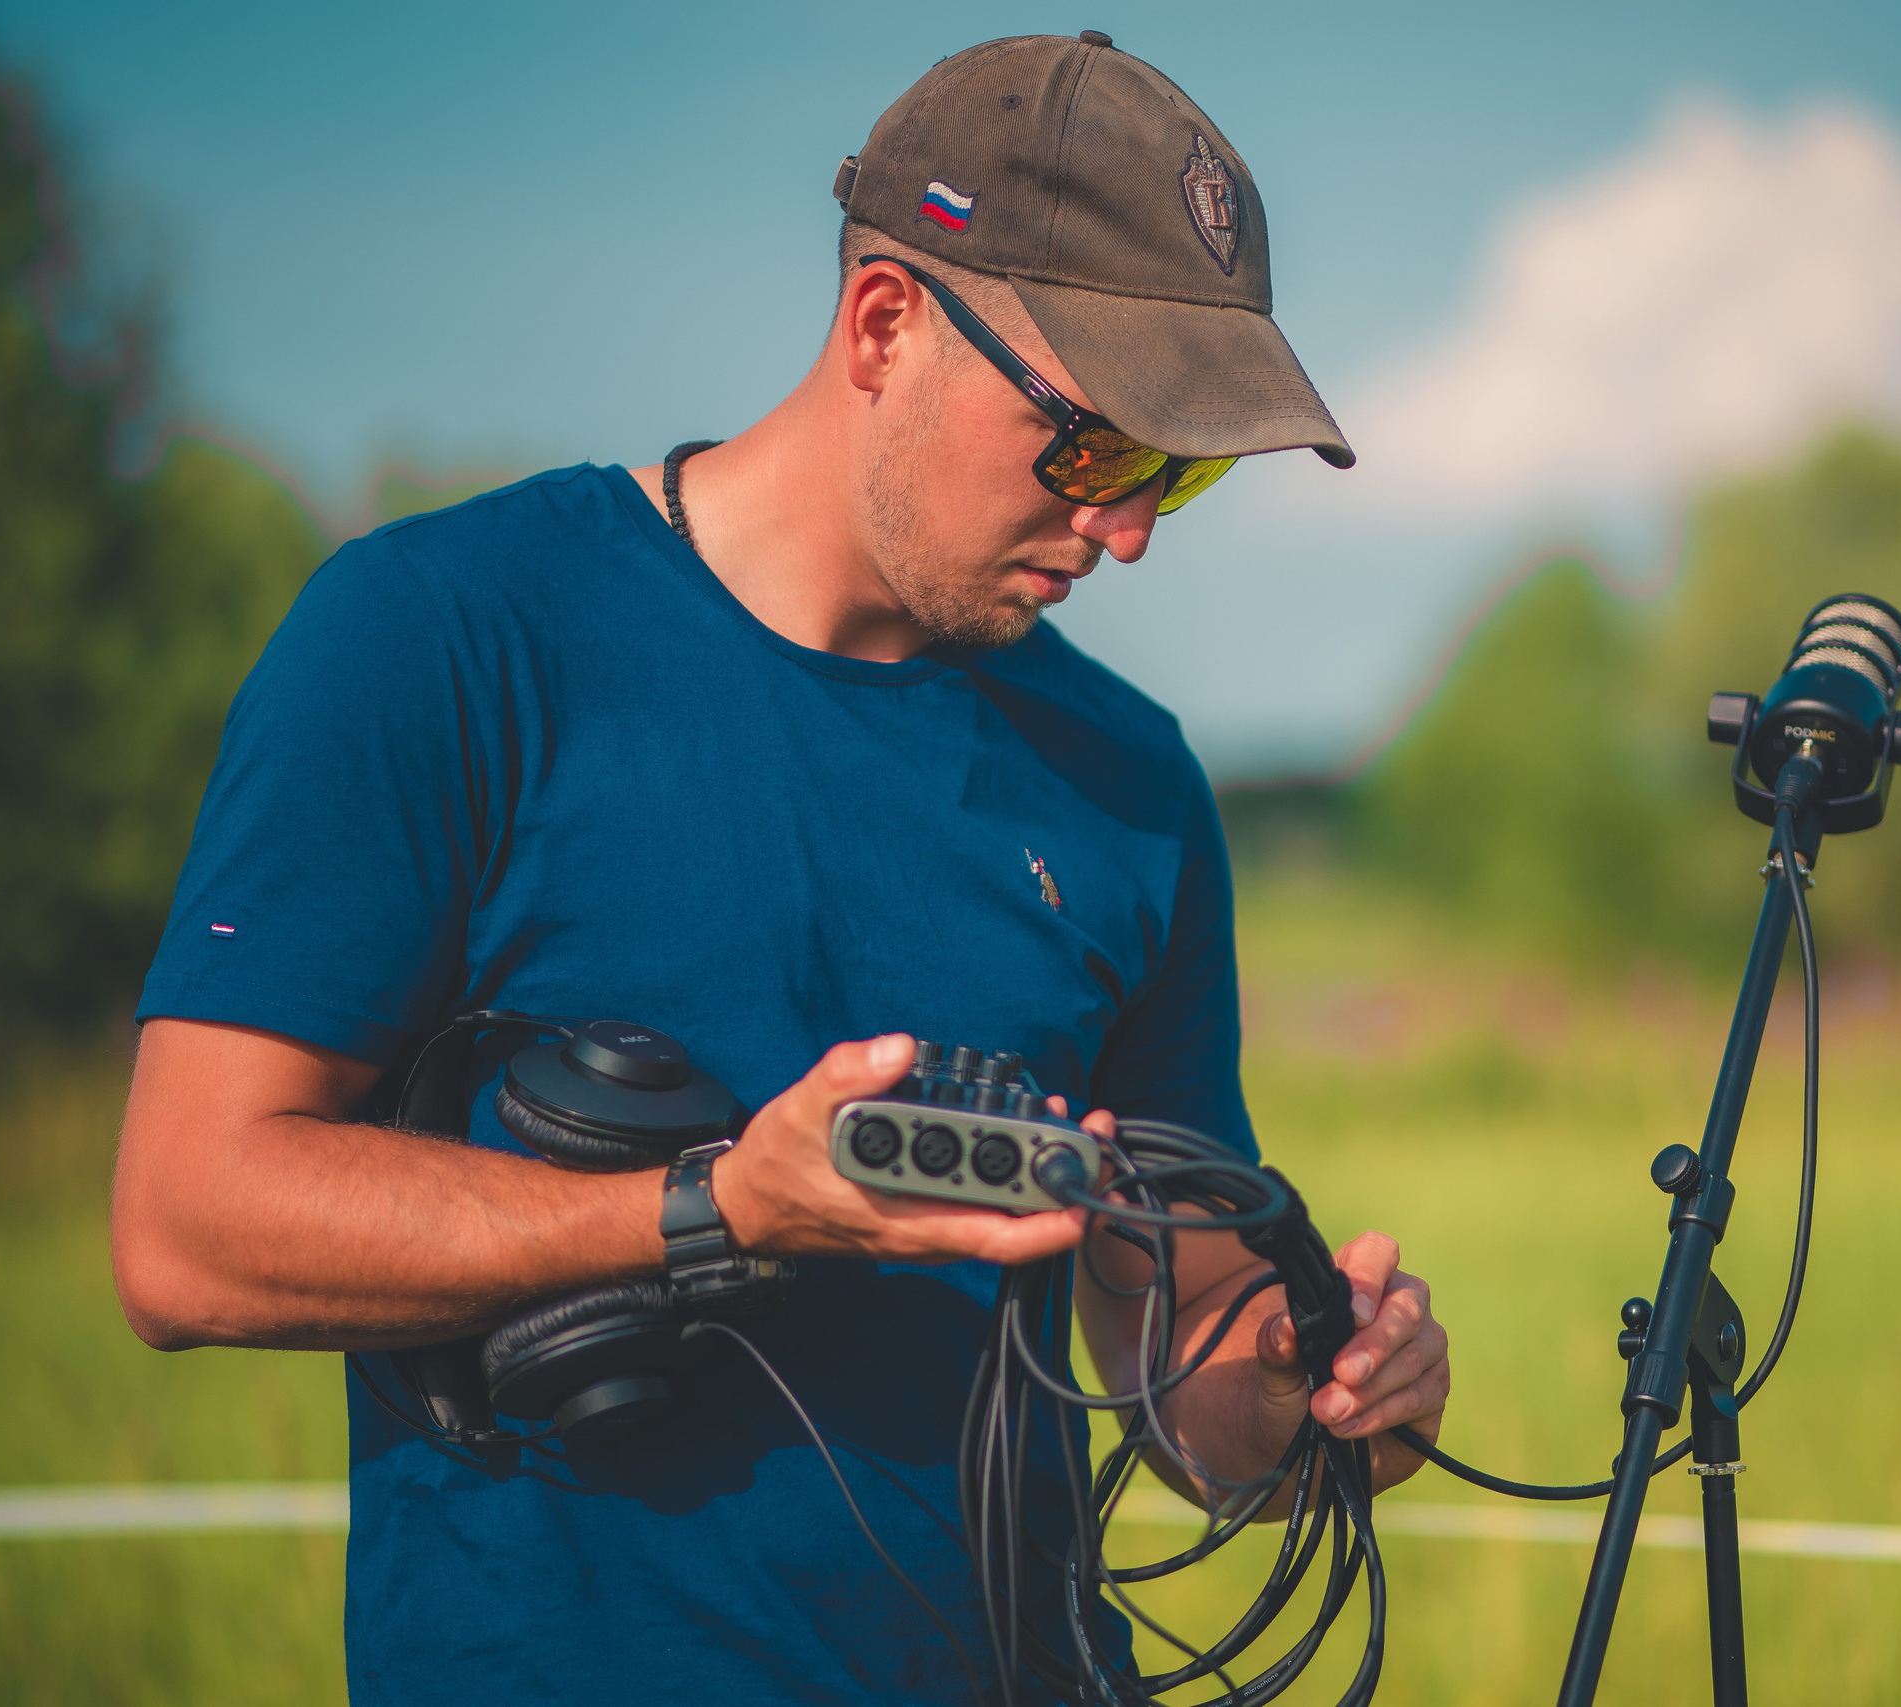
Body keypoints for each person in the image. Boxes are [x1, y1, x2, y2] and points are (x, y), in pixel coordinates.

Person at [109, 30, 1451, 1707]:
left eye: (1179, 472)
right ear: (888, 321)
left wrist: (1314, 1388)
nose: (1127, 532)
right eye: (1096, 443)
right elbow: (184, 1229)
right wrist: (713, 1210)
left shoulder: (1133, 784)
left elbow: (1184, 1380)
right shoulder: (446, 638)